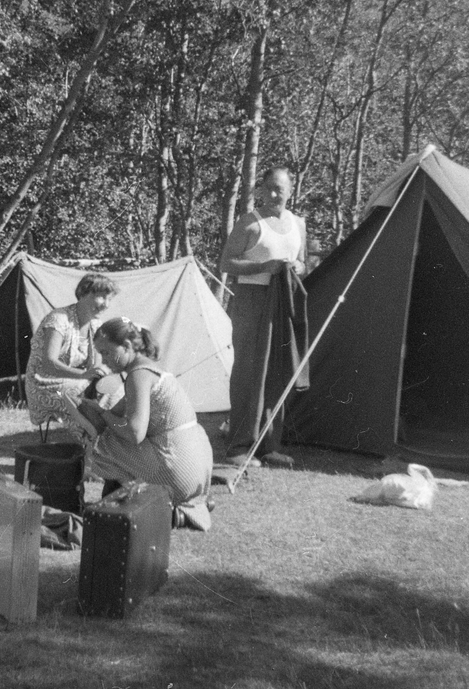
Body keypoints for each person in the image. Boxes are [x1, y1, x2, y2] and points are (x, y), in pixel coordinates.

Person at [79, 317, 213, 531]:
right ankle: (172, 507)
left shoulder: (137, 375)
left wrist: (102, 416)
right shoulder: (150, 370)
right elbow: (118, 413)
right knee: (112, 438)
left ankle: (130, 506)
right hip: (197, 471)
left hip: (177, 469)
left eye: (106, 352)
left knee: (103, 444)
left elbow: (134, 432)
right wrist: (98, 411)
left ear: (127, 346)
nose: (103, 361)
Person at [219, 165, 308, 469]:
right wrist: (262, 266)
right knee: (249, 370)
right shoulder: (251, 222)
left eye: (278, 189)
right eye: (267, 187)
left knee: (278, 370)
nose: (272, 194)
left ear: (290, 191)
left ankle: (268, 444)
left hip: (284, 302)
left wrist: (298, 268)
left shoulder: (298, 223)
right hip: (253, 301)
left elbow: (302, 262)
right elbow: (227, 263)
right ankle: (239, 446)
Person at [24, 272, 119, 430]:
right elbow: (48, 364)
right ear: (83, 293)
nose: (106, 304)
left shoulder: (96, 326)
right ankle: (91, 439)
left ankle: (107, 438)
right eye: (102, 297)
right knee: (82, 397)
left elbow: (94, 368)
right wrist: (83, 375)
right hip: (44, 383)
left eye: (109, 299)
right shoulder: (59, 319)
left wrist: (101, 375)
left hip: (77, 380)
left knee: (112, 390)